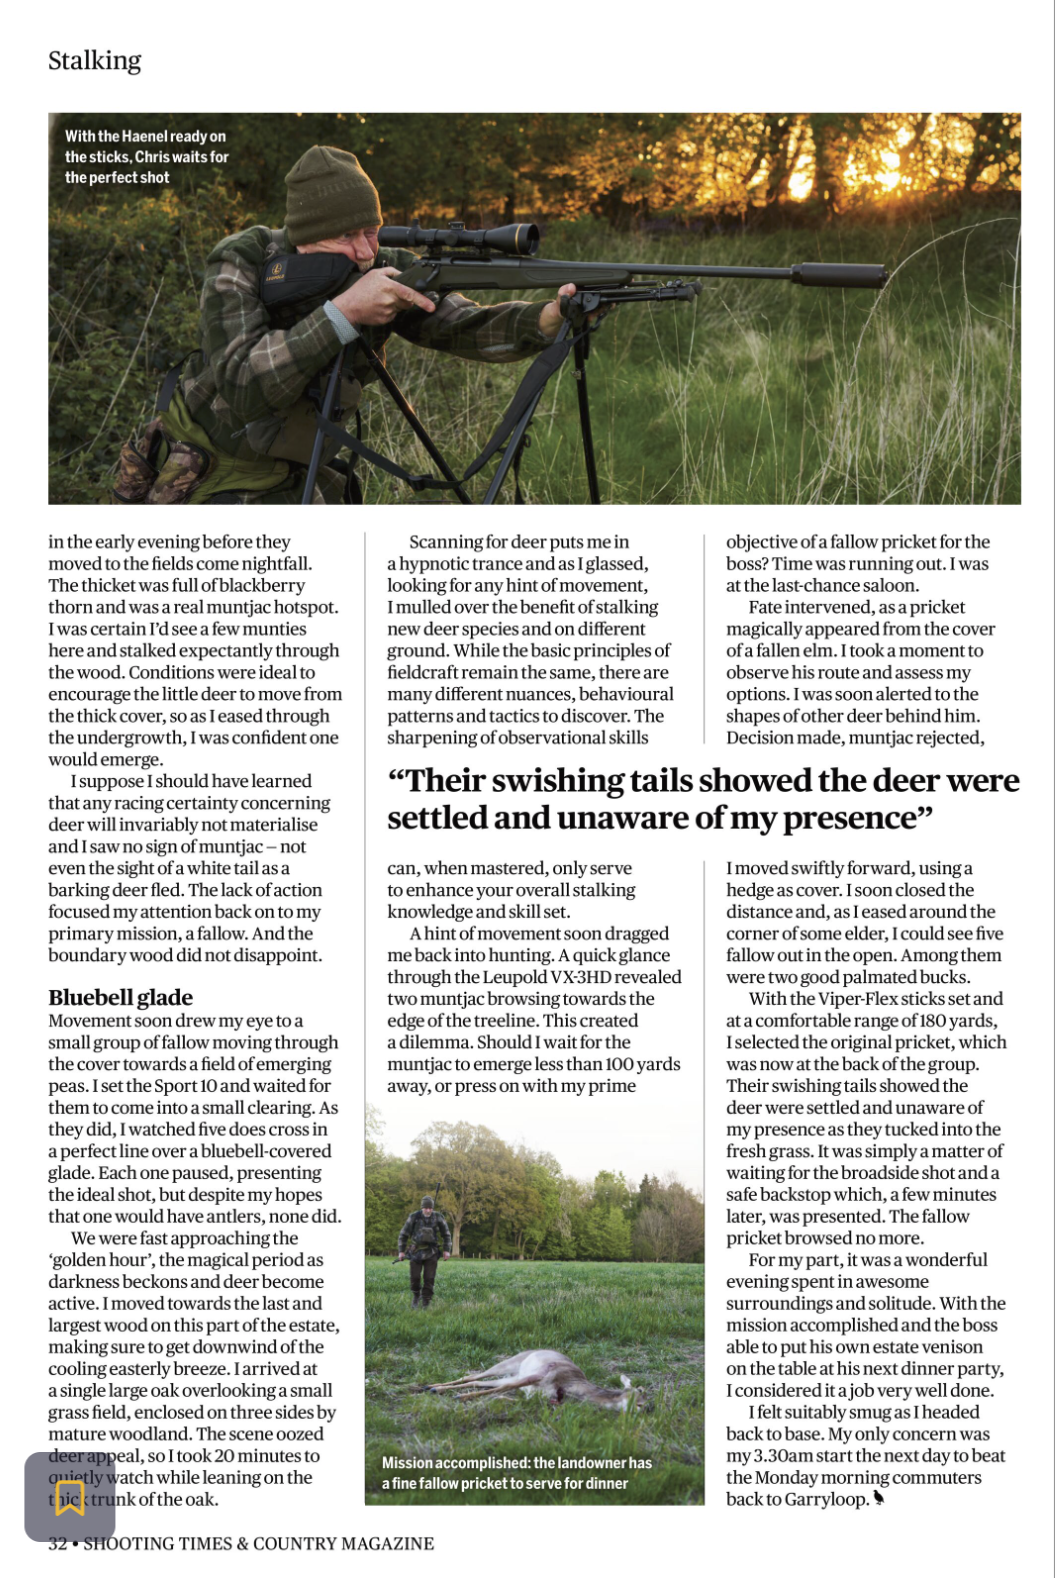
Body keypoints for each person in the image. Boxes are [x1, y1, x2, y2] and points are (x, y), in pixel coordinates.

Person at [156, 145, 584, 504]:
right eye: (347, 237)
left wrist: (548, 317)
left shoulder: (381, 265)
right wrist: (342, 315)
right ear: (305, 236)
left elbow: (461, 324)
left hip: (307, 469)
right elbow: (243, 384)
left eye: (373, 231)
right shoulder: (243, 259)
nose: (365, 252)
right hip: (213, 468)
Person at [397, 1196, 452, 1309]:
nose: (428, 1210)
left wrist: (447, 1250)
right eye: (426, 1208)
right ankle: (416, 1296)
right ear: (422, 1208)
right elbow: (403, 1234)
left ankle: (426, 1301)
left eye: (430, 1208)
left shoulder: (438, 1217)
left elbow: (446, 1234)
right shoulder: (414, 1217)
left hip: (432, 1252)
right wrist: (401, 1251)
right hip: (415, 1252)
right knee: (415, 1278)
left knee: (429, 1278)